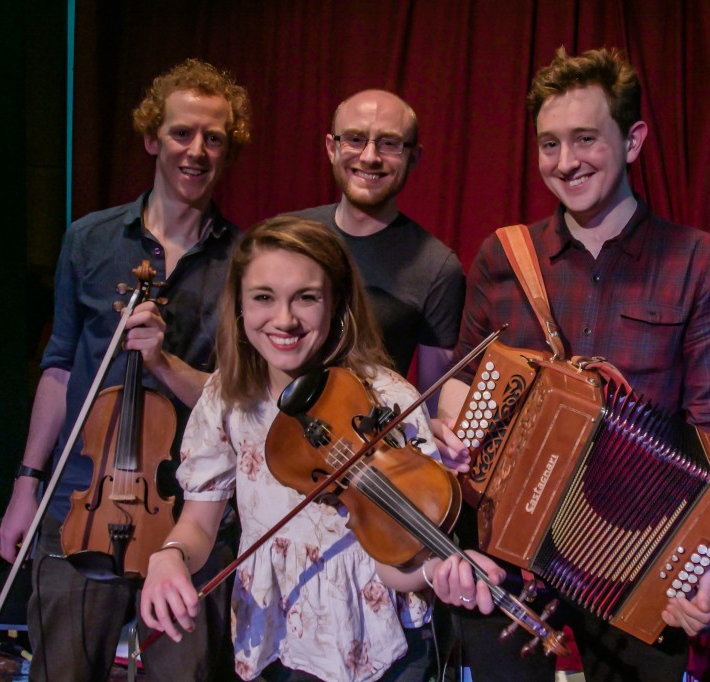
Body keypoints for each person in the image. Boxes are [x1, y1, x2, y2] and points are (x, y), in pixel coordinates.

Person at [430, 47, 710, 681]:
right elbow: (460, 384)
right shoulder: (502, 255)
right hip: (509, 545)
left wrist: (702, 557)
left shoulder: (696, 260)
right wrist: (453, 431)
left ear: (632, 141)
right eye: (549, 144)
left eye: (585, 139)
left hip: (637, 551)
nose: (565, 162)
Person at [139, 216, 502, 682]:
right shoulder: (227, 398)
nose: (285, 319)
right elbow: (198, 524)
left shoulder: (386, 399)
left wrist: (435, 574)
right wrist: (170, 555)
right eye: (263, 298)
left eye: (306, 297)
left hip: (380, 648)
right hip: (276, 634)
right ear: (239, 308)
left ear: (336, 305)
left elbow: (396, 565)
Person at [0, 58, 251, 681]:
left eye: (213, 138)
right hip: (82, 498)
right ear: (151, 138)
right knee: (62, 670)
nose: (196, 151)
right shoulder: (89, 239)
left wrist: (162, 363)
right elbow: (58, 367)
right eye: (182, 133)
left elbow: (238, 396)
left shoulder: (247, 261)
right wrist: (25, 487)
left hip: (191, 508)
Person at [289, 89, 465, 409]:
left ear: (414, 157)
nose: (370, 157)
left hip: (364, 446)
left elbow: (431, 402)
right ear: (332, 148)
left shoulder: (437, 267)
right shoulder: (286, 239)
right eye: (355, 139)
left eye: (389, 143)